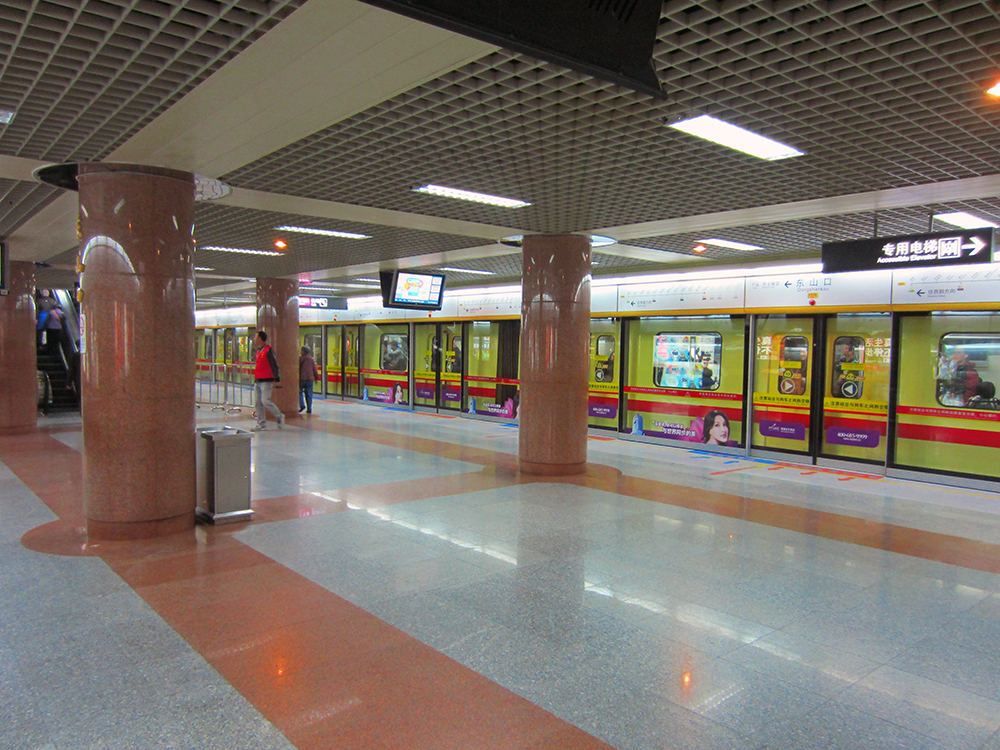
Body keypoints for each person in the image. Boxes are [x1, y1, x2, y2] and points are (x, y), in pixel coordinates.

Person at [251, 331, 284, 431]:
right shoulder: (258, 351)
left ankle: (279, 416)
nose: (254, 339)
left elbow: (274, 364)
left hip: (267, 380)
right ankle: (261, 424)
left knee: (265, 400)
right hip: (258, 380)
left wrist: (277, 378)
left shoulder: (268, 350)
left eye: (256, 337)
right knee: (258, 402)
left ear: (260, 339)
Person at [299, 346, 320, 414]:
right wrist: (316, 378)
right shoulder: (311, 360)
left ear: (303, 352)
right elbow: (314, 369)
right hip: (310, 379)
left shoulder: (300, 359)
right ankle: (309, 408)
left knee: (299, 392)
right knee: (309, 394)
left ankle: (302, 404)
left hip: (302, 378)